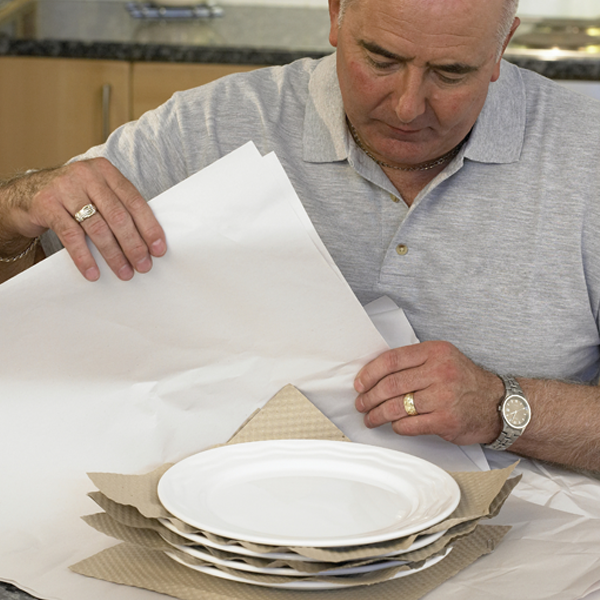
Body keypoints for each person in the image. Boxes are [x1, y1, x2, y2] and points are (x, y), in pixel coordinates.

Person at [1, 0, 599, 472]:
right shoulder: (210, 127)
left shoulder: (586, 156)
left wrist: (504, 408)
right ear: (336, 15)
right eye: (381, 60)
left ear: (502, 48)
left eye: (451, 73)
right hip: (218, 513)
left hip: (525, 537)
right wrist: (16, 210)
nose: (409, 105)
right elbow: (29, 294)